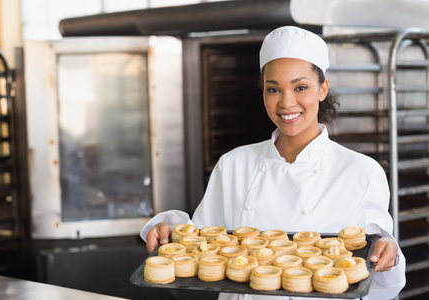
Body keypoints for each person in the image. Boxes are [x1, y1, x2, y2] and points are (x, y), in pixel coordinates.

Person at [140, 26, 406, 300]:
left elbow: (380, 280)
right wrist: (169, 231)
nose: (286, 102)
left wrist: (388, 253)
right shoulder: (233, 164)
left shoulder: (360, 172)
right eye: (273, 89)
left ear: (322, 89)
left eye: (300, 87)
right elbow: (200, 243)